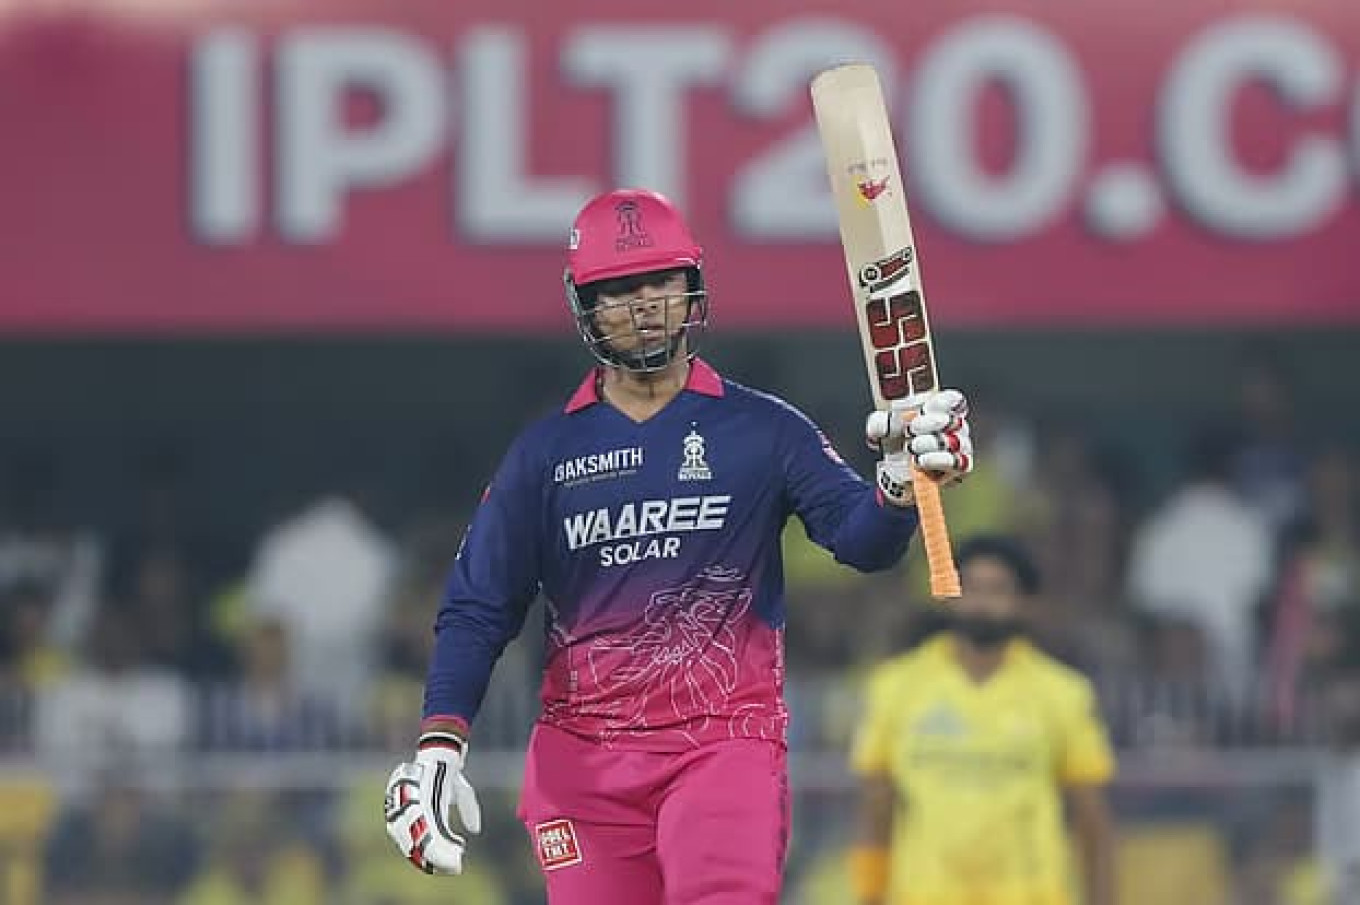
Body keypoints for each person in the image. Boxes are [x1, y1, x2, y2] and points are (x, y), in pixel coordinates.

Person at [382, 188, 975, 904]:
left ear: (691, 286)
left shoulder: (765, 429)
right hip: (583, 767)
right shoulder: (544, 455)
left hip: (724, 744)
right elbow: (478, 607)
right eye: (619, 289)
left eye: (660, 281)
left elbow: (863, 542)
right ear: (585, 305)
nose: (644, 304)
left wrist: (900, 486)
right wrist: (440, 743)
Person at [849, 534, 1116, 905]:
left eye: (997, 590)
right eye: (970, 588)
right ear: (947, 593)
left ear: (1024, 603)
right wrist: (869, 895)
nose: (981, 603)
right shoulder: (897, 686)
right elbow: (877, 808)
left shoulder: (1062, 692)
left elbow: (1092, 820)